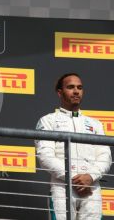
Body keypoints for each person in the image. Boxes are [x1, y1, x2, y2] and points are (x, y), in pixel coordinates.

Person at [35, 73, 112, 219]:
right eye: (70, 87)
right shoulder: (48, 121)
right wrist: (74, 179)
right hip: (62, 188)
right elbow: (45, 157)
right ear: (60, 92)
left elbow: (105, 156)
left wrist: (90, 177)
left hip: (91, 188)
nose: (76, 91)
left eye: (79, 87)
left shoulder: (95, 124)